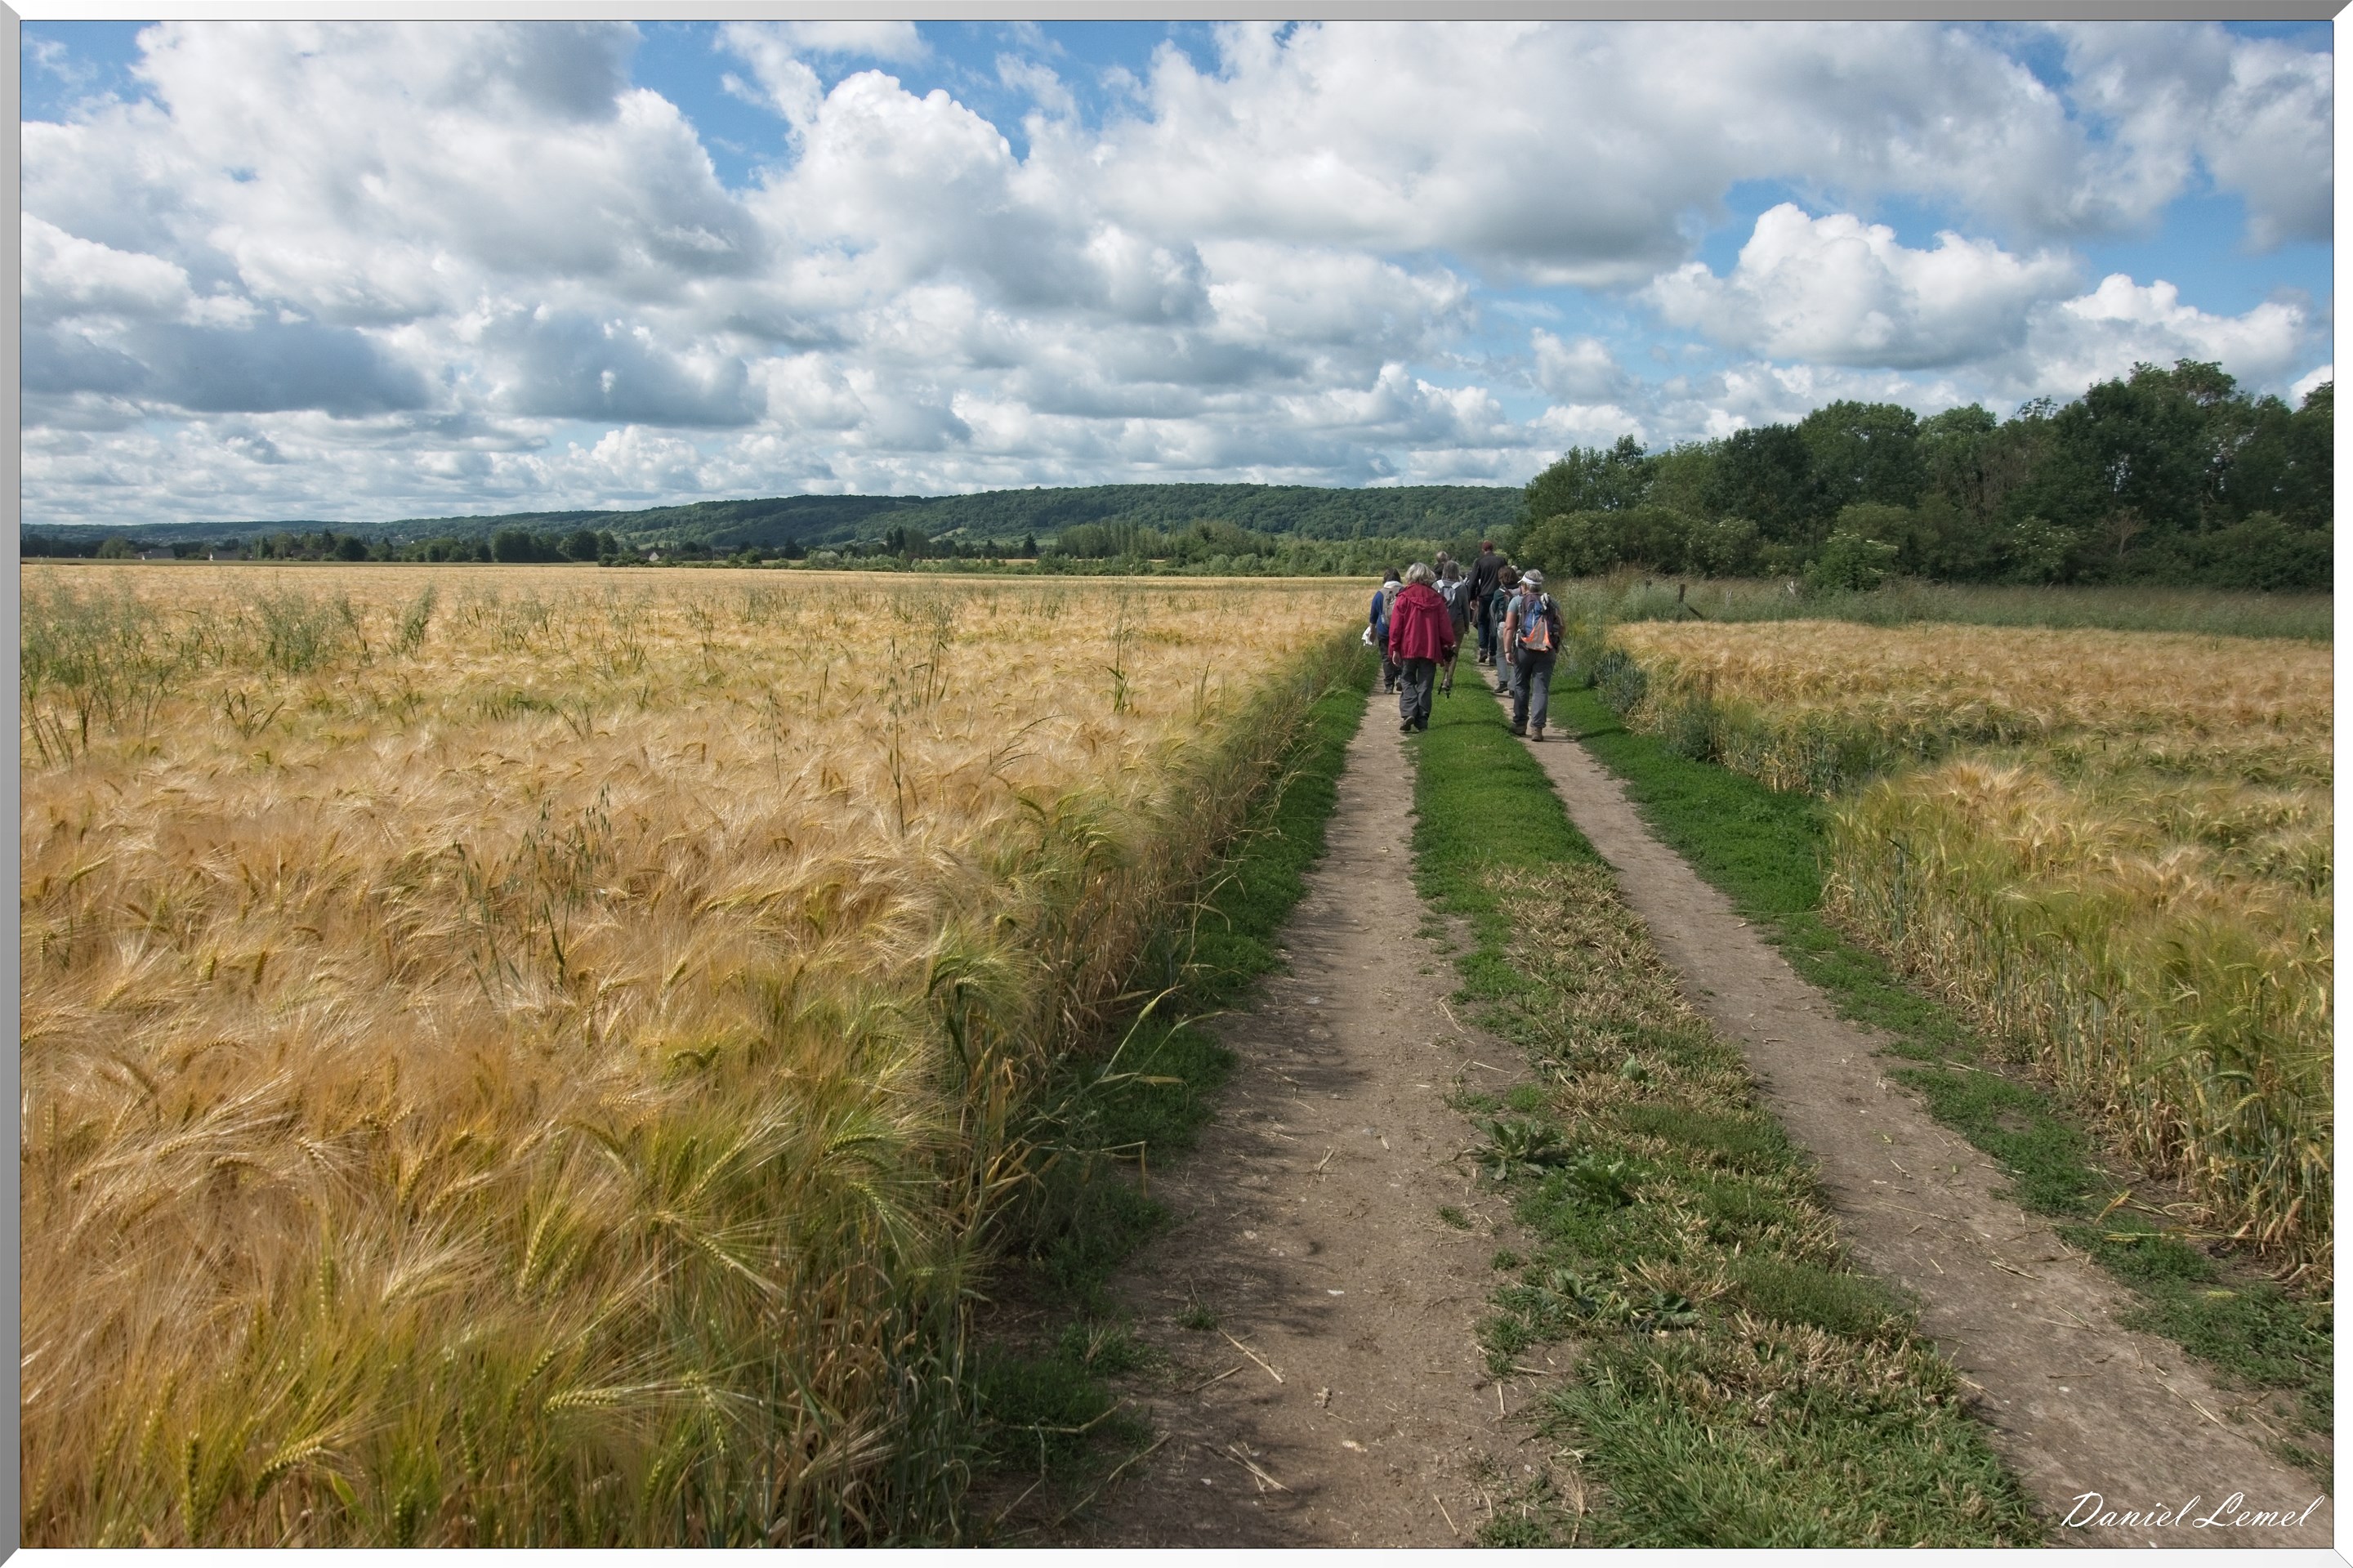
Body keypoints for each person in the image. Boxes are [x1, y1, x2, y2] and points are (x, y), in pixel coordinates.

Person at [1386, 562, 1456, 734]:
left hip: (1408, 646)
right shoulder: (1437, 599)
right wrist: (1447, 644)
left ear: (1410, 576)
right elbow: (1445, 627)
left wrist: (1394, 648)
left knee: (1408, 679)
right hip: (1430, 647)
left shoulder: (1403, 597)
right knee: (1426, 682)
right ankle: (1422, 718)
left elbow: (1396, 627)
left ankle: (1409, 712)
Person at [1503, 569, 1565, 739]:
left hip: (1523, 649)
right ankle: (1537, 728)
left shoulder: (1517, 601)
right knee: (1541, 689)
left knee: (1521, 686)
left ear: (1524, 586)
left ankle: (1520, 724)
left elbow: (1509, 627)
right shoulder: (1551, 602)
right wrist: (1556, 645)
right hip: (1546, 649)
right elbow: (1562, 626)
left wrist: (1507, 650)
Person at [1466, 540, 1507, 665]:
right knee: (1495, 623)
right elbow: (1507, 576)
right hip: (1499, 595)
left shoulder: (1479, 562)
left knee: (1482, 622)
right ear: (1493, 549)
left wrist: (1471, 598)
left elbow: (1472, 581)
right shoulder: (1502, 561)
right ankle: (1493, 654)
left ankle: (1483, 648)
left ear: (1483, 550)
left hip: (1484, 596)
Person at [1367, 569, 1402, 692]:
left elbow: (1373, 615)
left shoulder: (1379, 594)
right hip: (1402, 631)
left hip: (1384, 630)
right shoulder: (1404, 592)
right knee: (1401, 654)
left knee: (1386, 657)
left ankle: (1389, 685)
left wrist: (1372, 631)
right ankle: (1400, 677)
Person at [1489, 565, 1520, 697]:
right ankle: (1513, 687)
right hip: (1518, 626)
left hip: (1503, 625)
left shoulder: (1498, 592)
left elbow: (1494, 609)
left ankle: (1503, 681)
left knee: (1501, 653)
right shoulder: (1521, 591)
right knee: (1516, 656)